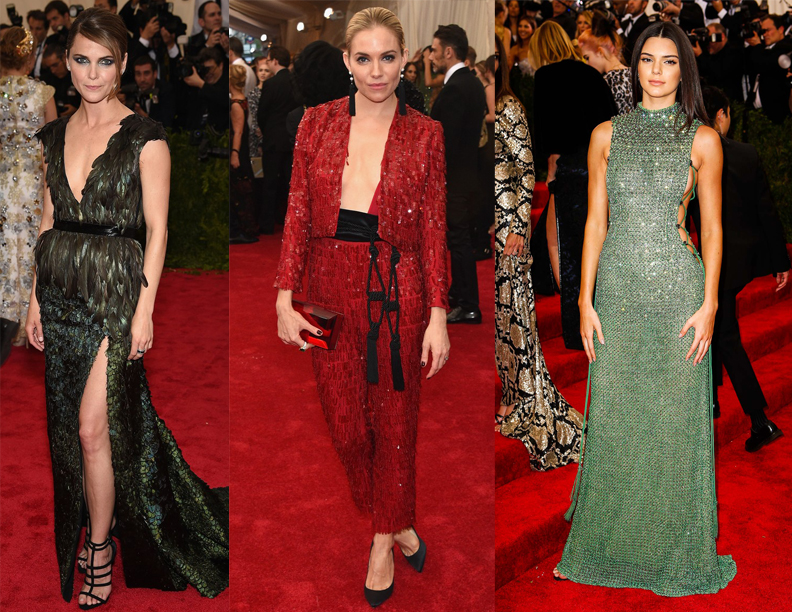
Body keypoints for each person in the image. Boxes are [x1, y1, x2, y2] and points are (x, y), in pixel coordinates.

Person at [25, 8, 228, 608]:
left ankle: (100, 548)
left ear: (121, 66)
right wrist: (33, 299)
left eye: (104, 61)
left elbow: (158, 231)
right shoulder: (53, 136)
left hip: (115, 293)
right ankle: (104, 516)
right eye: (81, 60)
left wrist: (145, 310)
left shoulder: (146, 137)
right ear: (66, 64)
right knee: (72, 428)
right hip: (59, 292)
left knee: (93, 428)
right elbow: (47, 220)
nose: (92, 73)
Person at [553, 22, 737, 594]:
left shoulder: (703, 140)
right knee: (618, 418)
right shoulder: (605, 134)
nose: (657, 71)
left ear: (684, 71)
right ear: (634, 68)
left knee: (673, 423)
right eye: (648, 60)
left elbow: (712, 228)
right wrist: (584, 299)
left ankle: (674, 545)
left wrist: (709, 304)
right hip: (617, 293)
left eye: (669, 61)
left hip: (678, 295)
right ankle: (614, 539)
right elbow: (595, 222)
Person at [274, 8, 449, 607]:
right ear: (348, 61)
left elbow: (434, 229)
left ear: (405, 61)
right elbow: (297, 211)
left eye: (388, 57)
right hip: (326, 290)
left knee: (395, 426)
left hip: (398, 291)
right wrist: (284, 296)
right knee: (346, 427)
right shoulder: (315, 123)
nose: (377, 71)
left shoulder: (426, 133)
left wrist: (439, 315)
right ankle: (396, 519)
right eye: (365, 58)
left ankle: (381, 541)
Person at [492, 34, 583, 467]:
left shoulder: (509, 107)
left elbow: (525, 170)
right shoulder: (484, 109)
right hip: (487, 226)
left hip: (507, 230)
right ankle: (511, 394)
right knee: (500, 319)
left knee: (514, 318)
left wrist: (516, 226)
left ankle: (523, 399)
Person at [690, 86, 789, 451]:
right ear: (722, 114)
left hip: (704, 258)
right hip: (737, 260)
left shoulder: (688, 152)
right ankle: (723, 406)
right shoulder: (746, 153)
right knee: (719, 329)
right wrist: (780, 262)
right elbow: (766, 210)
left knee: (723, 333)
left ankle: (757, 420)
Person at [528, 21, 616, 350]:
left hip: (569, 169)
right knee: (599, 244)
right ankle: (608, 320)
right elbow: (612, 120)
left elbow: (546, 133)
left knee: (568, 249)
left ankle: (578, 327)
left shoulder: (545, 77)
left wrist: (550, 172)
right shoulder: (591, 73)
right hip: (600, 166)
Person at [0, 27, 56, 364]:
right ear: (30, 56)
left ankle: (5, 319)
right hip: (35, 180)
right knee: (35, 242)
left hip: (3, 180)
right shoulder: (42, 92)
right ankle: (33, 317)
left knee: (5, 245)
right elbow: (53, 144)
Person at [429, 24, 487, 324]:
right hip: (467, 176)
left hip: (454, 178)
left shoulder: (455, 88)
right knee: (461, 240)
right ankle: (459, 295)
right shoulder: (472, 82)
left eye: (434, 50)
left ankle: (468, 305)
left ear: (448, 52)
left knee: (459, 241)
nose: (431, 56)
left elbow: (446, 142)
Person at [257, 45, 297, 234]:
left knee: (270, 183)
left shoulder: (271, 84)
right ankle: (289, 221)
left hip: (273, 139)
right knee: (290, 183)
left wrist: (266, 131)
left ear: (274, 61)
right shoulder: (296, 82)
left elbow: (262, 112)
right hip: (291, 138)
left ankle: (267, 223)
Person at [579, 11, 633, 115]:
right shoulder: (634, 74)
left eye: (587, 58)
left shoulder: (605, 83)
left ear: (600, 52)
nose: (587, 63)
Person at [746, 14, 792, 124]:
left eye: (768, 30)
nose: (765, 34)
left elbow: (765, 65)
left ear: (780, 29)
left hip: (779, 114)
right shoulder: (763, 49)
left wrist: (757, 46)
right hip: (759, 113)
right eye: (762, 31)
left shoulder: (787, 48)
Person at [230, 64, 258, 244]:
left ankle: (241, 229)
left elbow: (238, 132)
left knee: (239, 191)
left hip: (239, 152)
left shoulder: (236, 104)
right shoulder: (242, 99)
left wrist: (234, 153)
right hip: (242, 151)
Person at [129, 54, 175, 127]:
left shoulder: (166, 90)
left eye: (146, 73)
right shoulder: (130, 91)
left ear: (155, 74)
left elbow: (166, 124)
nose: (142, 79)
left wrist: (143, 116)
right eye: (138, 74)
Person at [41, 44, 81, 117]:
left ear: (64, 58)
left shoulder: (78, 77)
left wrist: (76, 110)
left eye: (55, 65)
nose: (53, 70)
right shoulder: (46, 80)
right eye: (49, 67)